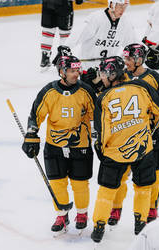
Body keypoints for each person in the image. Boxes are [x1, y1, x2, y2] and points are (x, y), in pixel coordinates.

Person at [90, 56, 159, 243]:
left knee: (107, 190)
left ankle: (99, 225)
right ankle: (140, 223)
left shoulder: (103, 97)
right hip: (142, 148)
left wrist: (102, 149)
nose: (101, 77)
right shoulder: (142, 87)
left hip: (115, 152)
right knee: (143, 187)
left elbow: (100, 130)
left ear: (111, 74)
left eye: (103, 74)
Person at [22, 52, 97, 233]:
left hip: (81, 145)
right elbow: (36, 115)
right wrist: (31, 135)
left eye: (77, 70)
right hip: (54, 146)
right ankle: (62, 214)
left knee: (80, 183)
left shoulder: (86, 91)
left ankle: (82, 213)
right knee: (57, 182)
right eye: (72, 70)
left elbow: (96, 116)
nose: (76, 74)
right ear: (62, 71)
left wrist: (99, 138)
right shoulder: (49, 92)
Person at [65, 0, 137, 69]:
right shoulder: (96, 18)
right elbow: (77, 36)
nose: (123, 10)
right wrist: (65, 48)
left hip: (110, 70)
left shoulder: (125, 22)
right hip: (89, 69)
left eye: (125, 7)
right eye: (121, 6)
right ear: (112, 4)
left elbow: (131, 44)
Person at [40, 0, 83, 69]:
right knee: (64, 34)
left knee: (48, 32)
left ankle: (45, 56)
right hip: (64, 5)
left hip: (47, 4)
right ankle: (63, 57)